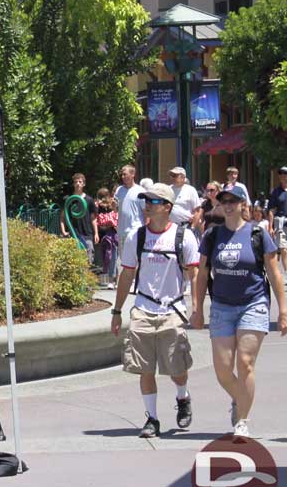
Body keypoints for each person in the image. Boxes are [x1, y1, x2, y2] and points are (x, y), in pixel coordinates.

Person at [191, 184, 287, 438]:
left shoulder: (258, 233)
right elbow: (202, 274)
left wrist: (283, 310)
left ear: (244, 204)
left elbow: (275, 273)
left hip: (253, 303)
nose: (228, 204)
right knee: (222, 370)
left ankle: (242, 420)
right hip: (221, 305)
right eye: (224, 200)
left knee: (245, 363)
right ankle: (240, 398)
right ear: (220, 204)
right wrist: (197, 309)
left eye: (234, 200)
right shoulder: (212, 236)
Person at [111, 182, 199, 439]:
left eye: (154, 201)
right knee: (144, 367)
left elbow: (194, 275)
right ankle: (152, 419)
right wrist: (116, 312)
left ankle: (183, 397)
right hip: (143, 309)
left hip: (172, 310)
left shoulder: (184, 237)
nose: (147, 204)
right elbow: (127, 275)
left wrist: (195, 309)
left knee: (176, 369)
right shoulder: (136, 236)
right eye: (147, 200)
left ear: (168, 207)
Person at [59, 173, 98, 265]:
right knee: (73, 260)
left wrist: (96, 233)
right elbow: (62, 217)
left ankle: (87, 277)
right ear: (73, 184)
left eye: (80, 182)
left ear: (83, 184)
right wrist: (63, 231)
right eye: (76, 182)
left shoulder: (89, 199)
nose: (78, 184)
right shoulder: (68, 199)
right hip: (73, 233)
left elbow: (93, 218)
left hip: (87, 233)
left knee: (88, 259)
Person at [115, 165, 145, 263]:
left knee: (136, 259)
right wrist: (112, 206)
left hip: (135, 230)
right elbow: (116, 209)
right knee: (124, 261)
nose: (123, 177)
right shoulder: (119, 190)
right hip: (122, 231)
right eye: (122, 175)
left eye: (125, 174)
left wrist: (146, 230)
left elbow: (146, 213)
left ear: (133, 175)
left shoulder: (140, 191)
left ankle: (136, 279)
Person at [265, 166, 287, 275]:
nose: (283, 175)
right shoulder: (276, 192)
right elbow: (271, 210)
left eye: (285, 173)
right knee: (284, 249)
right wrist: (270, 226)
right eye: (281, 173)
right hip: (281, 222)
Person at [96, 187, 119, 289]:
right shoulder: (98, 206)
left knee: (112, 256)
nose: (103, 199)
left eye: (104, 196)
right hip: (103, 234)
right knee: (108, 257)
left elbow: (117, 215)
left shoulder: (113, 204)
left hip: (112, 234)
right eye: (101, 197)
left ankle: (112, 279)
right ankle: (111, 279)